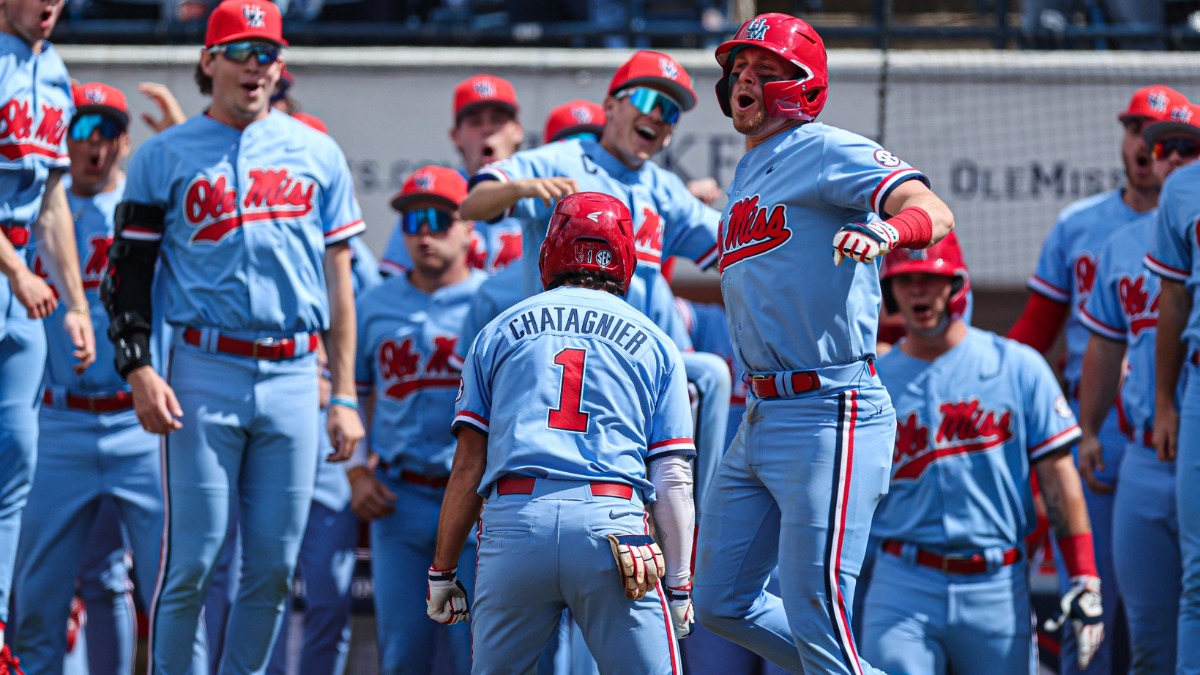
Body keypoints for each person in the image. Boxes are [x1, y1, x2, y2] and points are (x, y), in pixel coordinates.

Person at [101, 1, 366, 671]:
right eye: (242, 50)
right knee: (193, 558)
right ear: (208, 60)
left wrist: (344, 393)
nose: (256, 65)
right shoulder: (164, 155)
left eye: (268, 52)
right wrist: (137, 366)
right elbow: (127, 272)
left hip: (292, 372)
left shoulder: (317, 150)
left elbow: (341, 282)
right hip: (203, 368)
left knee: (275, 567)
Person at [692, 14, 955, 675]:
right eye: (739, 69)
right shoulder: (750, 168)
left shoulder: (825, 147)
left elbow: (933, 207)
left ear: (801, 83)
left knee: (816, 604)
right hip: (758, 413)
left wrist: (890, 234)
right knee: (719, 600)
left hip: (828, 406)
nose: (743, 79)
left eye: (764, 69)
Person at [429, 191, 696, 672]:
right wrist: (678, 587)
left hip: (514, 522)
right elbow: (672, 477)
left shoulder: (497, 330)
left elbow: (468, 466)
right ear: (624, 253)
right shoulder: (656, 340)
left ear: (551, 250)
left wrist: (442, 570)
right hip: (612, 526)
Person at [10, 81, 206, 675]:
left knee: (171, 598)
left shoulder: (149, 213)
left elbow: (210, 210)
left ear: (125, 142)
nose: (93, 146)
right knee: (39, 608)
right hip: (57, 421)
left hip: (141, 423)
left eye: (108, 132)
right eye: (81, 131)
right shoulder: (40, 215)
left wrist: (179, 139)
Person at [861, 233, 1101, 674]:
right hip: (903, 579)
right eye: (906, 279)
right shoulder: (873, 382)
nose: (918, 290)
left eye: (930, 279)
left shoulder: (1016, 365)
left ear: (956, 285)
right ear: (890, 289)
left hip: (997, 581)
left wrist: (1084, 573)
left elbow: (1058, 477)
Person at [1009, 83, 1186, 675]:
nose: (1148, 146)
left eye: (1174, 142)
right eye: (1138, 130)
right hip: (1107, 430)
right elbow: (1038, 326)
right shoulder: (1085, 226)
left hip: (1184, 418)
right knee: (1095, 601)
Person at [348, 164, 486, 674]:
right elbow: (351, 392)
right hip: (399, 500)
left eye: (439, 219)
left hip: (475, 500)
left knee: (472, 654)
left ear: (470, 225)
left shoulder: (493, 301)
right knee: (403, 654)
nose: (424, 232)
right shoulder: (374, 303)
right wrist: (357, 470)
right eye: (412, 221)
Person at [1081, 104, 1200, 674]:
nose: (1172, 157)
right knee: (1148, 636)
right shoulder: (1120, 245)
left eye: (1187, 147)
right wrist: (1087, 429)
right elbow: (1104, 348)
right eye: (1162, 147)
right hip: (1146, 455)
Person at [0, 0, 98, 670]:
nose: (49, 4)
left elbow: (54, 200)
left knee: (18, 460)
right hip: (11, 270)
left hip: (24, 282)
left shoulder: (55, 70)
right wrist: (12, 268)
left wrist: (77, 302)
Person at [266, 111, 380, 675]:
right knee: (259, 584)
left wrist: (340, 390)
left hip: (327, 438)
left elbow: (376, 347)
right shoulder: (255, 238)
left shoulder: (354, 262)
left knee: (332, 594)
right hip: (265, 416)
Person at [1144, 107, 1200, 675]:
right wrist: (1166, 400)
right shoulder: (1184, 188)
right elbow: (1175, 303)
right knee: (1199, 573)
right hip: (1199, 383)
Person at [380, 73, 525, 277]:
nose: (487, 129)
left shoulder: (538, 194)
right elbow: (396, 286)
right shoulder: (436, 194)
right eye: (475, 122)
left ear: (517, 131)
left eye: (497, 120)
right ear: (455, 136)